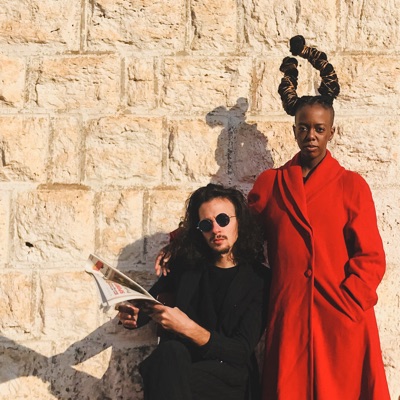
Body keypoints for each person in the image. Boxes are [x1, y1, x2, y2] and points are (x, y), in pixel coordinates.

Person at [247, 36, 390, 399]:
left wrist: (350, 300)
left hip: (340, 315)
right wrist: (181, 241)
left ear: (331, 132)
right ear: (294, 129)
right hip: (292, 316)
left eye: (319, 129)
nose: (310, 135)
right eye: (304, 127)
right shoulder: (271, 184)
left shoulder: (351, 185)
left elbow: (371, 256)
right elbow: (239, 232)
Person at [118, 183, 270, 400]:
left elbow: (240, 351)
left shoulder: (259, 279)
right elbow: (149, 302)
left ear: (239, 222)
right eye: (206, 224)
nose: (216, 230)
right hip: (181, 365)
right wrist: (134, 316)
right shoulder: (186, 266)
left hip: (227, 377)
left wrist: (188, 328)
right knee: (170, 354)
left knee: (164, 372)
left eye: (223, 220)